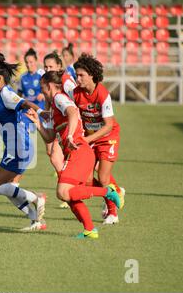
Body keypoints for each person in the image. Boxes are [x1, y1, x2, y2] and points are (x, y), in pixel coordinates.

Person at [26, 70, 120, 239]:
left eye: (42, 88)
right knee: (69, 195)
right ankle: (90, 230)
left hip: (80, 151)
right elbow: (49, 136)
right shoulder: (55, 107)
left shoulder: (59, 98)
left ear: (49, 86)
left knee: (63, 192)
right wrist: (37, 123)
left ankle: (107, 192)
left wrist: (70, 135)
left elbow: (72, 112)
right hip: (75, 153)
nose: (42, 92)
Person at [0, 52, 48, 232]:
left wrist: (40, 113)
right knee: (10, 187)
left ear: (0, 78)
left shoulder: (7, 95)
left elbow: (24, 103)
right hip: (13, 148)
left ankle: (35, 198)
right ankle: (35, 220)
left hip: (19, 147)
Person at [73, 53, 125, 225]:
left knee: (103, 178)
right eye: (76, 74)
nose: (77, 78)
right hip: (90, 138)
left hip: (107, 137)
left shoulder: (102, 94)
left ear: (92, 75)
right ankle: (115, 191)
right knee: (87, 181)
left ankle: (112, 213)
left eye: (81, 75)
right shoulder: (76, 93)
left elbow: (109, 125)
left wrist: (88, 140)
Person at [42, 51, 78, 209]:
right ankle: (66, 190)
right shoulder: (47, 80)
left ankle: (112, 191)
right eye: (45, 66)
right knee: (54, 157)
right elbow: (49, 102)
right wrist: (47, 121)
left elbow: (77, 102)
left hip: (72, 126)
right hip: (58, 125)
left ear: (59, 66)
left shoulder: (66, 81)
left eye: (51, 66)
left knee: (94, 168)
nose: (48, 69)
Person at [17, 48, 45, 131]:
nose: (28, 64)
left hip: (40, 109)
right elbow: (19, 94)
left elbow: (50, 90)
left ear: (36, 61)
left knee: (48, 138)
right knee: (22, 132)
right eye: (26, 62)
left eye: (31, 62)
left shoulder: (42, 74)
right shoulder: (23, 77)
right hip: (27, 110)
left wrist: (43, 94)